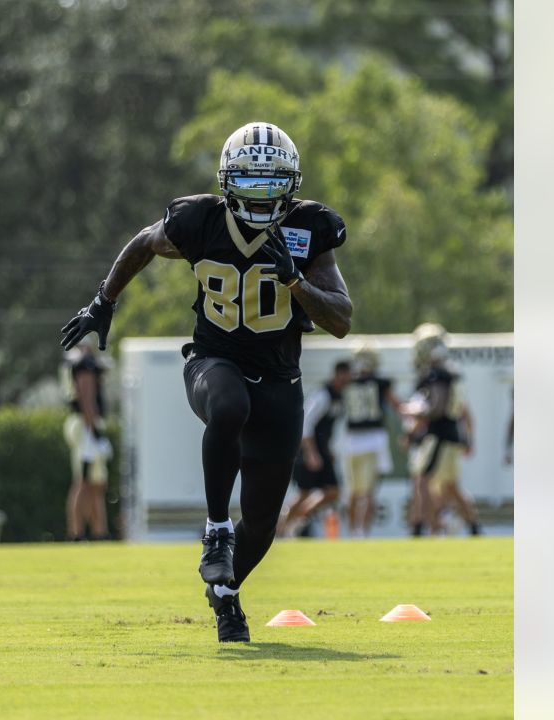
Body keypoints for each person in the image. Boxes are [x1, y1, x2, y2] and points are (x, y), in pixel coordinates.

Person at [61, 121, 352, 642]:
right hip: (213, 358)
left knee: (263, 523)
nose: (261, 194)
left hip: (280, 378)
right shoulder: (199, 220)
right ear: (226, 181)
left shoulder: (310, 228)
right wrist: (103, 301)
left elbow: (342, 319)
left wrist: (295, 280)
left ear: (292, 183)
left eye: (271, 183)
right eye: (250, 182)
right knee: (227, 405)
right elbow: (144, 243)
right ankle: (216, 530)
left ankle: (225, 595)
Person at [401, 323, 482, 537]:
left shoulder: (437, 374)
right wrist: (469, 439)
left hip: (438, 435)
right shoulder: (452, 372)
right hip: (452, 434)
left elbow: (436, 408)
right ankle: (474, 527)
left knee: (423, 481)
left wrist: (414, 415)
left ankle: (430, 528)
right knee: (451, 486)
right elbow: (465, 411)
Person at [278, 361, 351, 538]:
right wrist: (311, 453)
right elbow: (306, 424)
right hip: (309, 450)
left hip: (321, 450)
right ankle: (281, 529)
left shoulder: (339, 396)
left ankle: (294, 520)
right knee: (305, 493)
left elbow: (326, 428)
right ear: (338, 374)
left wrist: (328, 450)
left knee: (332, 492)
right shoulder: (323, 394)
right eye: (346, 374)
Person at [343, 343, 403, 538]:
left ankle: (353, 530)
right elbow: (397, 405)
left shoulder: (348, 382)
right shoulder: (380, 382)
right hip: (374, 439)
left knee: (353, 490)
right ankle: (363, 531)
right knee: (368, 490)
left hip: (352, 440)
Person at [61, 341, 113, 541]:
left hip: (83, 424)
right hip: (86, 426)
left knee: (95, 482)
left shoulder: (74, 363)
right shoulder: (85, 365)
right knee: (84, 481)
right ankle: (76, 532)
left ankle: (99, 531)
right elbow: (87, 398)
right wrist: (95, 431)